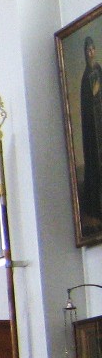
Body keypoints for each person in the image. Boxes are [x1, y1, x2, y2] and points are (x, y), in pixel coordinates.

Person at [81, 36, 102, 223]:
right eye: (88, 50)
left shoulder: (99, 70)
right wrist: (93, 92)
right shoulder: (85, 77)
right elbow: (87, 103)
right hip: (93, 130)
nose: (91, 53)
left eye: (92, 49)